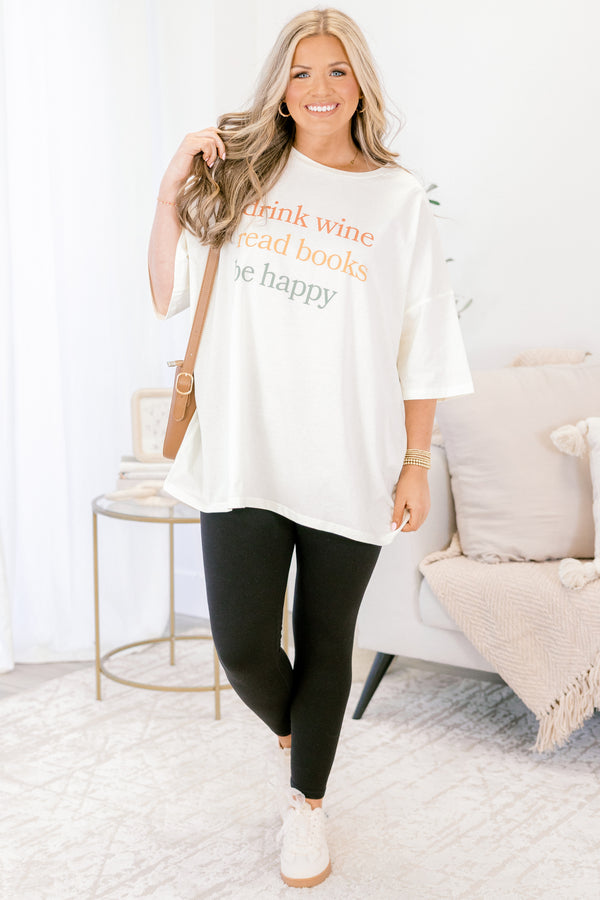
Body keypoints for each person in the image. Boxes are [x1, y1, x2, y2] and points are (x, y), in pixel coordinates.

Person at [148, 7, 473, 888]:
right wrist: (172, 184)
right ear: (280, 87)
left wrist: (414, 463)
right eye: (301, 72)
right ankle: (304, 737)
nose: (319, 88)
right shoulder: (246, 175)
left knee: (329, 641)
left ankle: (308, 807)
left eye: (336, 71)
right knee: (243, 648)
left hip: (351, 457)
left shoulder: (398, 199)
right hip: (243, 450)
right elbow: (167, 292)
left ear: (360, 83)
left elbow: (424, 341)